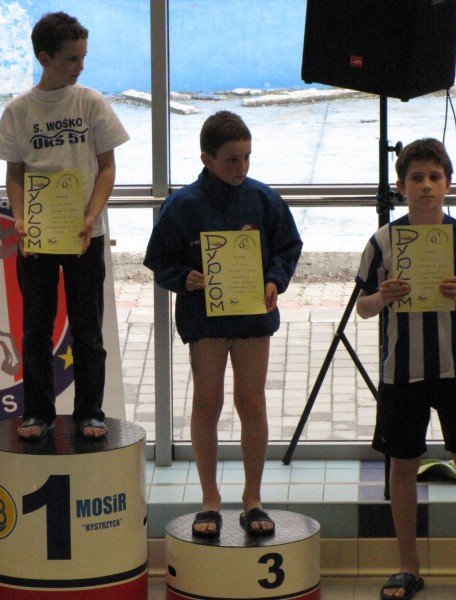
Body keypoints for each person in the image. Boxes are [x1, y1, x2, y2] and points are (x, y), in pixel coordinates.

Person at [355, 138, 456, 600]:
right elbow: (363, 308)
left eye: (434, 177)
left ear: (447, 185)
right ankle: (408, 566)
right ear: (401, 187)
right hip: (401, 373)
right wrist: (382, 297)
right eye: (416, 178)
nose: (425, 186)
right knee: (402, 468)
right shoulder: (382, 240)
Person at [144, 111, 302, 538]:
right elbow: (159, 260)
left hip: (252, 315)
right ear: (207, 159)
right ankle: (210, 499)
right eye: (232, 159)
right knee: (207, 402)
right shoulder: (184, 205)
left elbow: (288, 247)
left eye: (247, 157)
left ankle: (253, 497)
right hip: (205, 319)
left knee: (252, 402)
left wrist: (275, 280)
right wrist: (185, 278)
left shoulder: (264, 199)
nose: (241, 167)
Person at [0, 11, 129, 441]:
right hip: (38, 237)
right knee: (36, 329)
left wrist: (91, 215)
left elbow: (107, 168)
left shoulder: (91, 103)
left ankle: (90, 412)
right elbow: (15, 174)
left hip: (85, 234)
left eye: (83, 57)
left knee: (88, 331)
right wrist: (21, 218)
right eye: (72, 58)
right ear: (45, 58)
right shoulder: (19, 110)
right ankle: (38, 413)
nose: (80, 66)